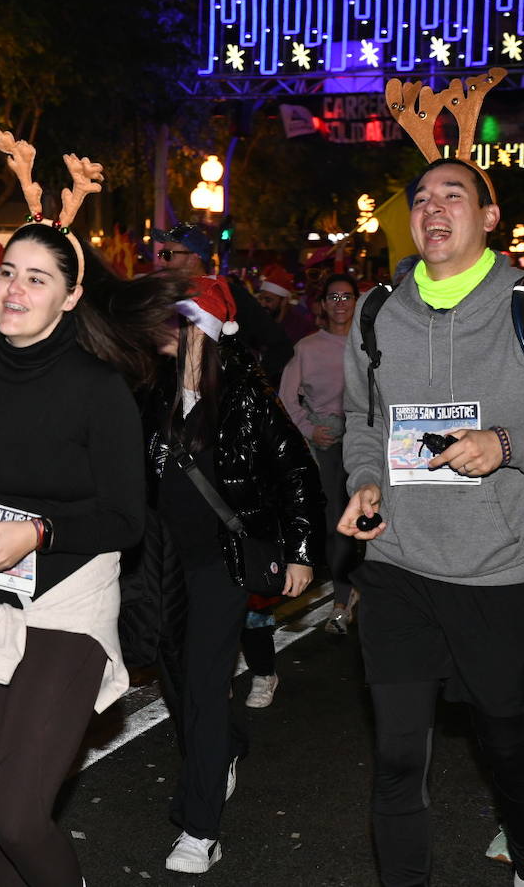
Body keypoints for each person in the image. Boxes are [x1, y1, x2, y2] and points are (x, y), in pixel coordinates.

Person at [0, 129, 190, 885]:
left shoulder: (99, 390)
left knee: (18, 814)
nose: (13, 289)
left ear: (70, 297)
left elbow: (126, 518)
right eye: (6, 272)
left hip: (67, 606)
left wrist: (38, 531)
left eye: (37, 278)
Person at [339, 155, 524, 887]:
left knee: (506, 746)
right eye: (421, 198)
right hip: (398, 566)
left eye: (453, 195)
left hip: (503, 575)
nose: (433, 208)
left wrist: (506, 445)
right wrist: (365, 481)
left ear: (490, 218)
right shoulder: (376, 313)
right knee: (399, 756)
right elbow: (365, 424)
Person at [142, 275, 322, 873]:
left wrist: (299, 551)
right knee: (175, 675)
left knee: (203, 682)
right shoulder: (152, 392)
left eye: (179, 321)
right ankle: (228, 744)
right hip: (162, 561)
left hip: (221, 562)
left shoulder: (245, 397)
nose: (167, 331)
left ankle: (200, 829)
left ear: (205, 333)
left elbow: (299, 473)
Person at [279, 275, 361, 634]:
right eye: (333, 297)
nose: (340, 303)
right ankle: (342, 601)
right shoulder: (308, 348)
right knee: (335, 526)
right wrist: (310, 429)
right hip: (327, 449)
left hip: (370, 443)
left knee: (374, 523)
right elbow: (284, 399)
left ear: (358, 301)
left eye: (347, 296)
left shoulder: (371, 344)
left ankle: (368, 589)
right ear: (323, 305)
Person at [150, 221, 293, 383]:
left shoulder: (230, 295)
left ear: (193, 258)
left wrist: (248, 382)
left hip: (214, 402)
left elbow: (281, 346)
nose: (161, 262)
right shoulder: (162, 296)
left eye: (168, 255)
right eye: (161, 255)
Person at [255, 264, 316, 345]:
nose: (262, 304)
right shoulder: (259, 322)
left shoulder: (301, 327)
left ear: (284, 301)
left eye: (268, 300)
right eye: (260, 298)